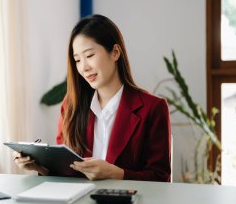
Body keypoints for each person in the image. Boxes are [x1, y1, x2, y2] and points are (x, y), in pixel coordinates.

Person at [13, 14, 171, 182]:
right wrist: (41, 167)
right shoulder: (71, 105)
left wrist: (115, 174)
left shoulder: (153, 108)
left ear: (115, 52)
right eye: (77, 60)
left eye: (89, 56)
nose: (84, 67)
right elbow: (66, 171)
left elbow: (160, 178)